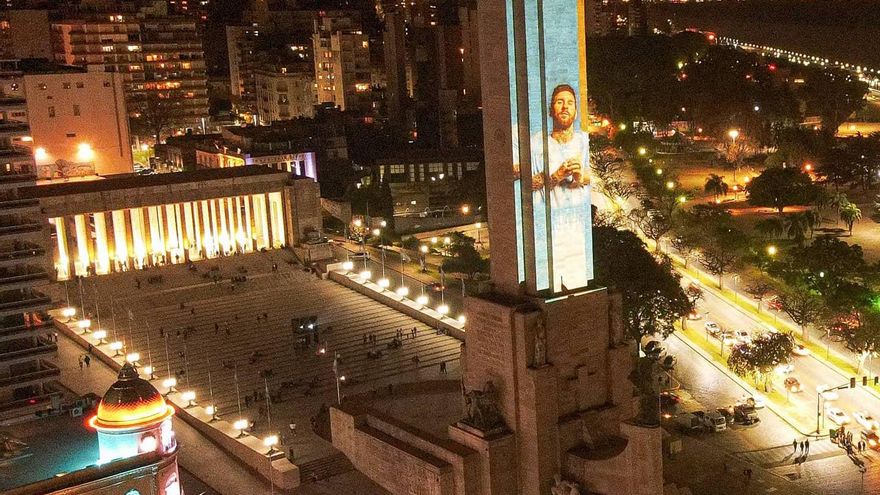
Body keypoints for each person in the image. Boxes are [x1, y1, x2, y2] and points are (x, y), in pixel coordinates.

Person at [520, 83, 593, 292]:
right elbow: (530, 184)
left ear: (576, 110)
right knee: (549, 285)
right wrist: (556, 176)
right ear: (551, 109)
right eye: (559, 102)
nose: (565, 107)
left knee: (577, 286)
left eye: (570, 103)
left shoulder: (583, 140)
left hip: (576, 225)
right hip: (547, 225)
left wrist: (578, 177)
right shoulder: (536, 143)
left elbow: (589, 177)